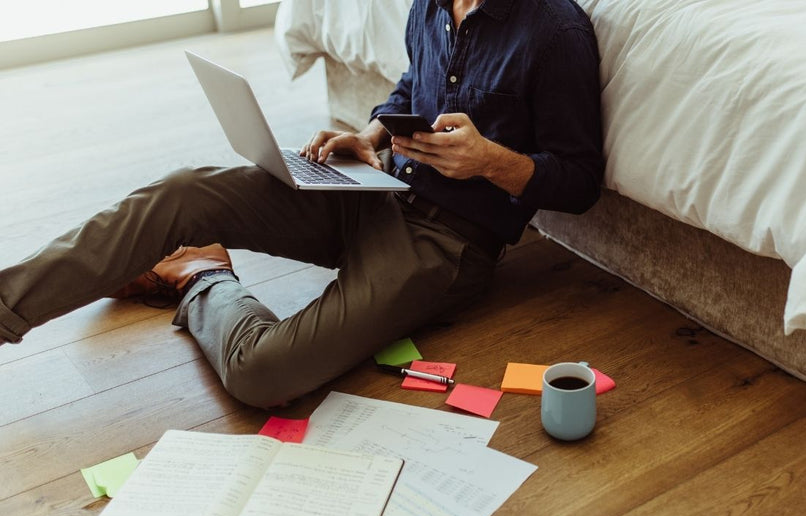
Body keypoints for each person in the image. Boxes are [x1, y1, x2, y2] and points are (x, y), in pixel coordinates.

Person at [0, 0, 603, 408]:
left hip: (447, 243)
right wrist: (367, 136)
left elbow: (579, 182)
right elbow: (410, 85)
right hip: (376, 189)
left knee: (262, 374)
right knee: (184, 190)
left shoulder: (557, 31)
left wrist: (489, 161)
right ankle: (7, 306)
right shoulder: (430, 5)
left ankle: (202, 276)